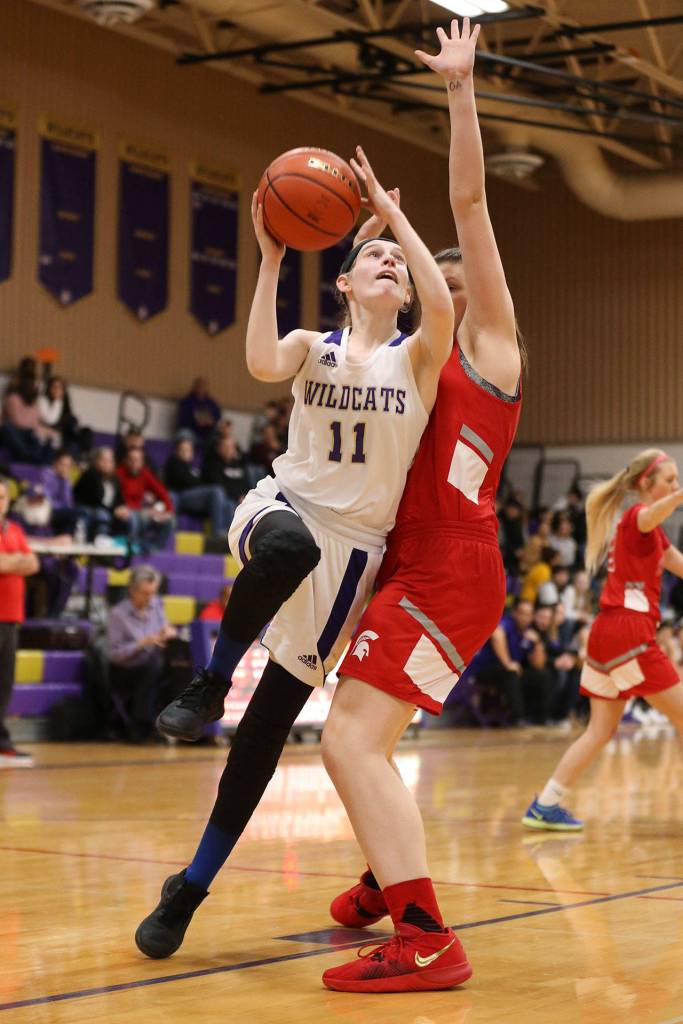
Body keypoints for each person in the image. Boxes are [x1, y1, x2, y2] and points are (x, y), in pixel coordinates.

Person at [134, 146, 454, 959]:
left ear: (407, 287)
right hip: (283, 505)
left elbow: (442, 305)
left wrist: (392, 215)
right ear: (343, 282)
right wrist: (272, 257)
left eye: (395, 260)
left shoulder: (415, 358)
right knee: (284, 543)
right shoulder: (311, 345)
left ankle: (189, 888)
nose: (384, 262)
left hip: (352, 558)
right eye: (369, 256)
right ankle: (211, 679)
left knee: (266, 735)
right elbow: (256, 360)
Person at [319, 19, 522, 992]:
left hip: (449, 566)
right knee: (370, 728)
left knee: (348, 735)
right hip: (428, 566)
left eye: (449, 278)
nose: (435, 284)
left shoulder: (489, 353)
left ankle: (425, 935)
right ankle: (377, 870)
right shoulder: (398, 366)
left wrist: (457, 90)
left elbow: (470, 202)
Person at [522, 449, 683, 832]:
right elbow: (648, 515)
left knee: (600, 730)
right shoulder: (635, 519)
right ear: (646, 484)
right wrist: (679, 497)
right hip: (628, 636)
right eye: (670, 480)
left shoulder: (652, 535)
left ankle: (546, 804)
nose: (675, 487)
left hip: (607, 636)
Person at [107, 565, 177, 743]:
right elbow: (114, 655)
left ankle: (174, 723)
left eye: (152, 593)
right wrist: (141, 644)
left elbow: (166, 628)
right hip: (124, 669)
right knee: (152, 669)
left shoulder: (156, 605)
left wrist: (169, 632)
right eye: (145, 593)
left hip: (153, 664)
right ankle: (142, 726)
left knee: (175, 665)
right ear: (132, 590)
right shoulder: (118, 614)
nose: (150, 598)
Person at [0, 476, 40, 766]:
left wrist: (8, 562)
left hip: (12, 616)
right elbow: (20, 562)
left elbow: (33, 563)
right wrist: (16, 562)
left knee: (4, 682)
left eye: (2, 497)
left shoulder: (14, 529)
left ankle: (1, 740)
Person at [164, 433, 233, 536]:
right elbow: (183, 481)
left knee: (228, 503)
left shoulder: (192, 467)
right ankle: (217, 533)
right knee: (216, 491)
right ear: (177, 450)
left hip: (196, 496)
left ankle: (230, 536)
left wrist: (196, 482)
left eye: (189, 450)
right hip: (182, 495)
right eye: (183, 449)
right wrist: (196, 482)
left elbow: (197, 481)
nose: (186, 452)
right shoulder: (174, 462)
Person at [117, 448, 174, 554]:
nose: (134, 463)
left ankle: (156, 550)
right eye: (131, 460)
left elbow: (162, 492)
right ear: (126, 461)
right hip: (125, 512)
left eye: (137, 460)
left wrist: (168, 511)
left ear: (142, 462)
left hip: (140, 511)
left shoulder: (144, 473)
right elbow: (118, 500)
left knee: (168, 521)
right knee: (135, 517)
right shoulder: (119, 473)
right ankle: (134, 547)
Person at [73, 447, 131, 540]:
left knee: (131, 516)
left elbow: (120, 499)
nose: (107, 464)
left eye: (110, 461)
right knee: (103, 515)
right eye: (103, 460)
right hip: (87, 509)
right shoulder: (90, 475)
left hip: (107, 510)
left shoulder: (114, 479)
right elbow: (94, 501)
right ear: (96, 461)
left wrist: (123, 508)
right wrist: (114, 511)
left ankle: (125, 544)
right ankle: (100, 542)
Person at [38, 376, 90, 457]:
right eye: (55, 387)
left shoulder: (64, 401)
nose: (57, 390)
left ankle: (85, 455)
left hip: (61, 430)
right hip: (47, 428)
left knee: (86, 431)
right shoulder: (43, 400)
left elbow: (67, 415)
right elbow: (50, 420)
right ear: (49, 388)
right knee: (63, 436)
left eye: (60, 388)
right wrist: (57, 401)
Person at [201, 435, 248, 510]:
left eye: (232, 447)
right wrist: (237, 497)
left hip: (242, 498)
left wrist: (246, 496)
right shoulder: (213, 464)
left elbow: (244, 483)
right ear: (219, 449)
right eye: (226, 447)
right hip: (227, 499)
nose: (229, 450)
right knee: (230, 505)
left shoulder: (237, 465)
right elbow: (220, 486)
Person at [178, 377, 222, 444]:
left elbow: (218, 417)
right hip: (191, 432)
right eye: (199, 386)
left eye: (203, 387)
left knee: (220, 438)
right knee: (183, 434)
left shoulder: (211, 403)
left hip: (208, 433)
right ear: (194, 387)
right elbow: (182, 420)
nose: (201, 389)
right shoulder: (186, 401)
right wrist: (195, 422)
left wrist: (211, 421)